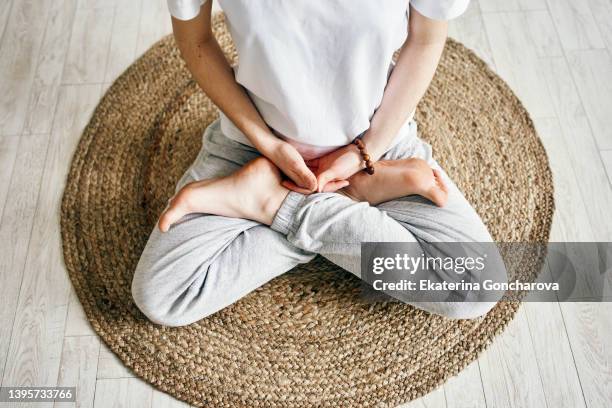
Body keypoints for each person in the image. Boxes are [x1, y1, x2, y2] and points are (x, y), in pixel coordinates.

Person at [131, 0, 507, 327]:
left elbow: (425, 39)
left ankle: (270, 201)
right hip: (253, 143)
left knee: (476, 285)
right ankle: (353, 197)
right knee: (163, 295)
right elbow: (195, 39)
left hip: (375, 138)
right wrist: (267, 144)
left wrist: (366, 152)